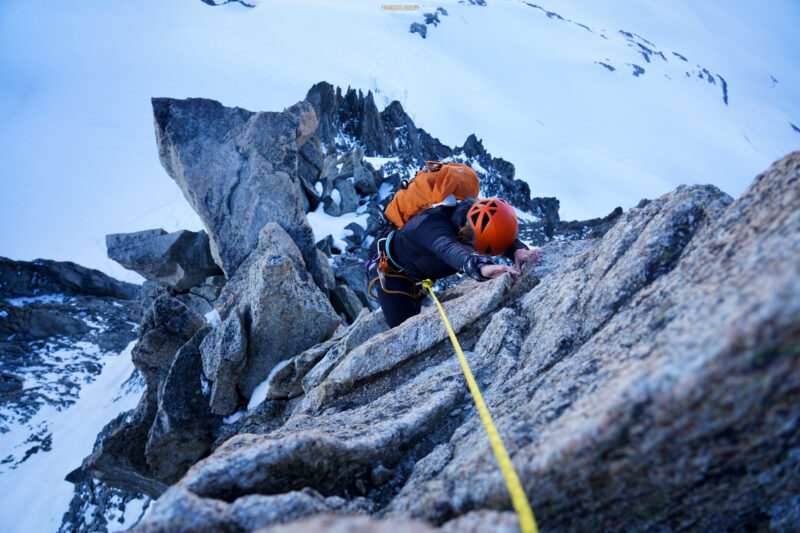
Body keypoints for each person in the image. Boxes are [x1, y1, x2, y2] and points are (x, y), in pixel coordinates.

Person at [367, 196, 541, 327]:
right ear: (468, 237)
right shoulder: (431, 226)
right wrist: (480, 266)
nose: (478, 253)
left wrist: (517, 249)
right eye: (477, 249)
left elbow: (499, 230)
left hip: (422, 264)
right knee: (402, 325)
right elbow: (448, 248)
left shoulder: (473, 217)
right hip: (391, 269)